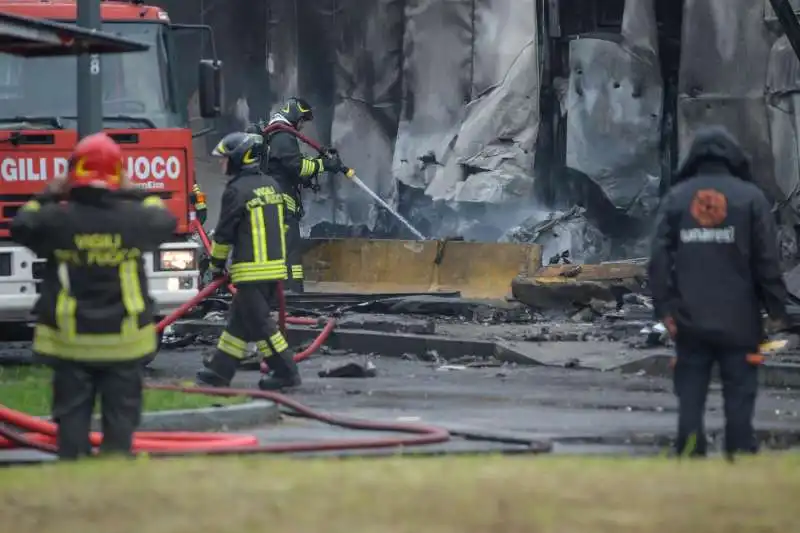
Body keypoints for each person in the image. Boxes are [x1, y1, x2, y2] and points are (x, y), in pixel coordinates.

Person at [10, 132, 177, 460]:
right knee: (121, 416)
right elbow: (165, 219)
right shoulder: (135, 219)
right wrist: (134, 190)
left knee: (71, 416)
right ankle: (113, 472)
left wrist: (47, 194)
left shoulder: (56, 219)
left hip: (70, 340)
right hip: (125, 341)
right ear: (118, 174)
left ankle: (74, 469)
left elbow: (22, 224)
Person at [648, 125, 789, 460]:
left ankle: (690, 450)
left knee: (691, 390)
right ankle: (739, 452)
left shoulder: (676, 199)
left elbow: (657, 261)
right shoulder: (751, 199)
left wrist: (665, 309)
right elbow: (767, 261)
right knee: (740, 391)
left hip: (688, 320)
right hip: (740, 321)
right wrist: (776, 309)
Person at [195, 131, 301, 391]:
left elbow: (223, 235)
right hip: (274, 267)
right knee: (238, 324)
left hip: (251, 270)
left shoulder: (236, 191)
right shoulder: (271, 185)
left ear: (239, 159)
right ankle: (220, 371)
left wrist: (216, 266)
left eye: (225, 159)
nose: (222, 164)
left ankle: (286, 371)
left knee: (262, 326)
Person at [258, 97, 343, 293]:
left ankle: (291, 291)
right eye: (302, 121)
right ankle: (293, 293)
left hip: (278, 203)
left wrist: (315, 163)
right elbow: (299, 166)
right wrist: (325, 164)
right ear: (295, 115)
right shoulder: (282, 136)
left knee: (288, 250)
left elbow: (289, 166)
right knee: (290, 251)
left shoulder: (276, 134)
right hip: (282, 205)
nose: (302, 126)